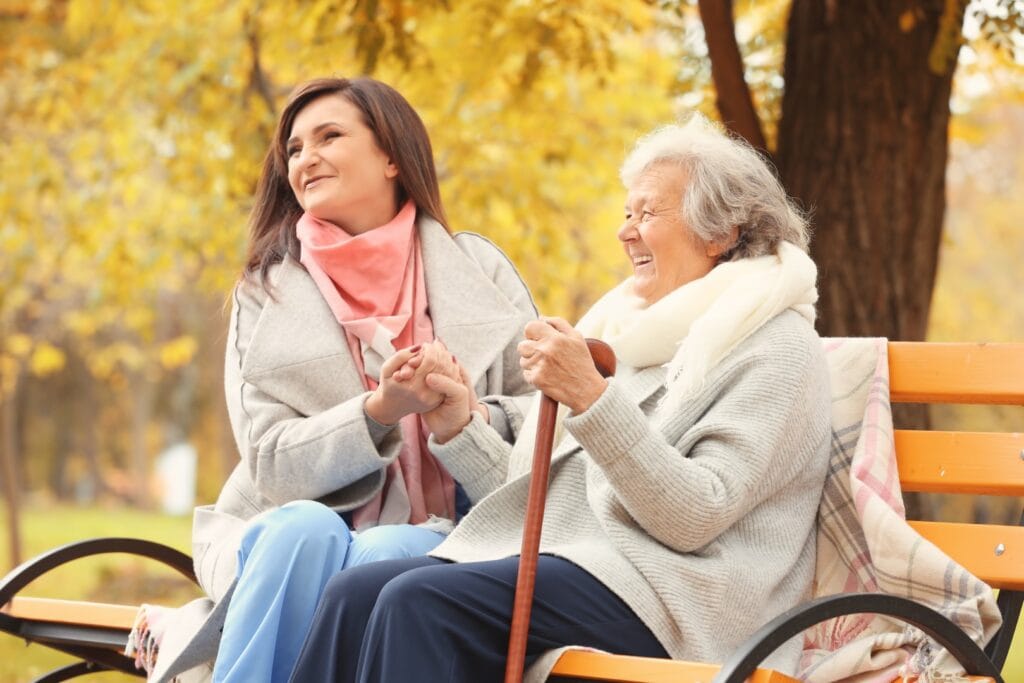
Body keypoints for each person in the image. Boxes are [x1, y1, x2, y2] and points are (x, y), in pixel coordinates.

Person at [288, 114, 832, 682]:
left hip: (685, 598)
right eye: (626, 213)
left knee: (419, 602)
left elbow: (696, 517)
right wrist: (458, 425)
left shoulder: (775, 347)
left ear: (720, 234)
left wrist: (592, 399)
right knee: (354, 593)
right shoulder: (643, 334)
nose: (625, 232)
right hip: (592, 564)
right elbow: (547, 504)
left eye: (647, 214)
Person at [138, 77, 537, 683]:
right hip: (286, 529)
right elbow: (269, 462)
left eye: (329, 137)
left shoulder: (478, 268)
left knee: (384, 554)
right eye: (295, 149)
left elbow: (543, 424)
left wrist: (465, 417)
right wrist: (378, 413)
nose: (306, 159)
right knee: (304, 531)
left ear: (391, 157)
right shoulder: (265, 291)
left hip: (453, 532)